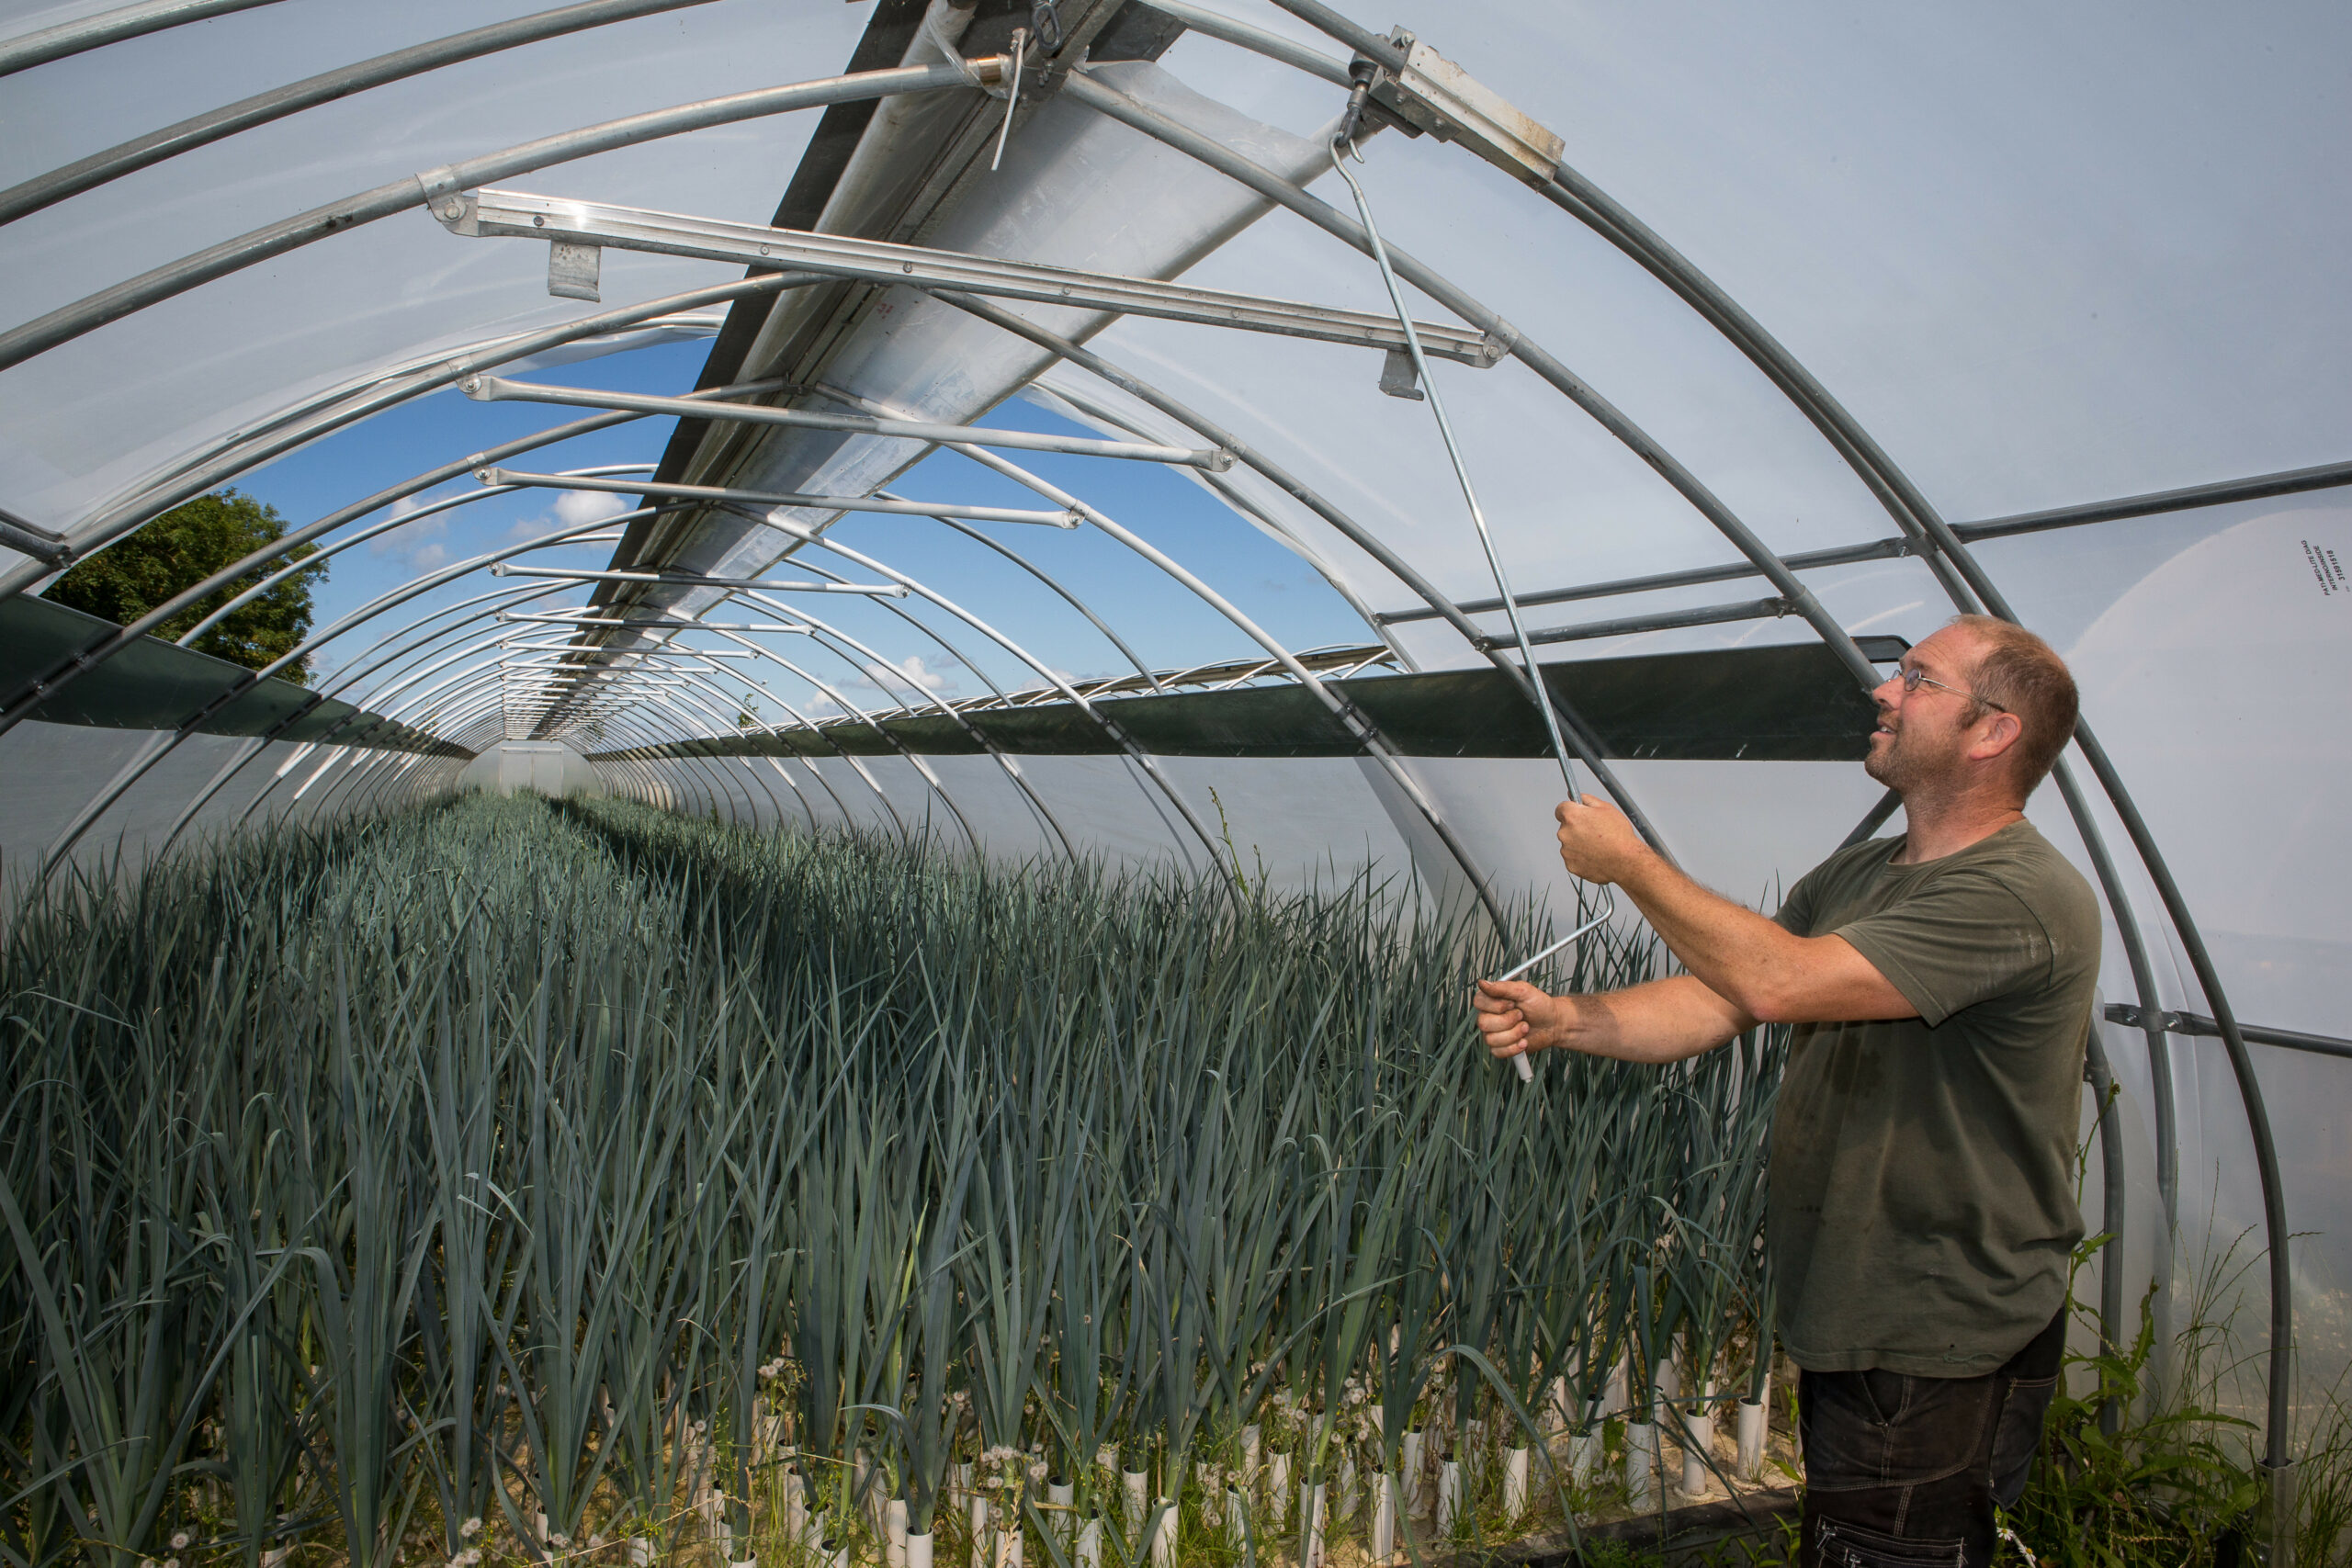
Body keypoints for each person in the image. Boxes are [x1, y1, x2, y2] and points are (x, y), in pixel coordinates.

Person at [1472, 615, 2101, 1568]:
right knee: (1857, 1541)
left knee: (1890, 1552)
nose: (1883, 692)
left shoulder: (2018, 895)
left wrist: (1633, 867)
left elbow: (1783, 982)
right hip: (1861, 1305)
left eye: (1917, 680)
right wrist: (1574, 1020)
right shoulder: (1860, 872)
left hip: (1940, 1323)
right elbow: (1722, 998)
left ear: (1991, 731)